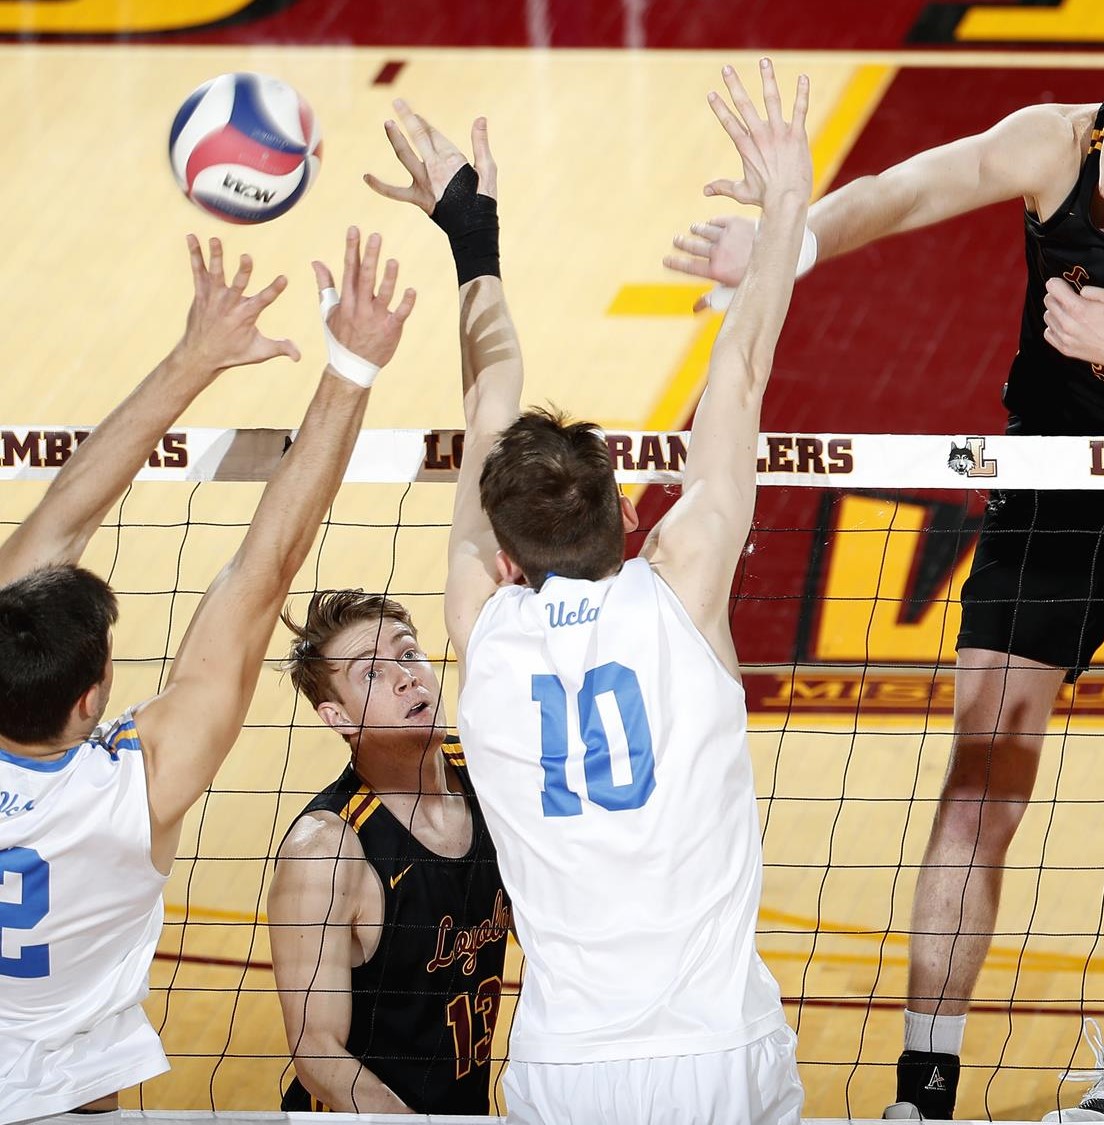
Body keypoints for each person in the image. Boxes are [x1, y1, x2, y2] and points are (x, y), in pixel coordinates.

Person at [670, 24, 1104, 1121]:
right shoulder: (1054, 145)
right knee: (980, 781)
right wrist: (783, 250)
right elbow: (902, 191)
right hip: (1047, 479)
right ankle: (923, 1092)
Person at [368, 69, 811, 1124]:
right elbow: (737, 377)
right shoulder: (682, 587)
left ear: (506, 553)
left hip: (566, 1066)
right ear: (628, 516)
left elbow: (490, 394)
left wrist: (468, 230)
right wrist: (786, 201)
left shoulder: (483, 627)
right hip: (721, 1051)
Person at [0, 230, 412, 1122]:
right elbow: (265, 568)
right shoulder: (137, 783)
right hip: (65, 1102)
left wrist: (193, 356)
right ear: (90, 696)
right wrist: (351, 363)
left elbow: (58, 514)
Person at [269, 590, 509, 1113]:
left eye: (407, 653)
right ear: (338, 718)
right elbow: (317, 1051)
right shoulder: (328, 851)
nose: (406, 677)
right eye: (371, 673)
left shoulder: (491, 776)